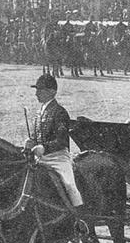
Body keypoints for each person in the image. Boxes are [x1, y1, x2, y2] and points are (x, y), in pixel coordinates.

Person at [24, 74, 88, 230]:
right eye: (37, 90)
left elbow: (60, 141)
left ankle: (79, 219)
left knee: (69, 183)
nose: (37, 93)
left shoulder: (60, 112)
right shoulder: (39, 113)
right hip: (41, 157)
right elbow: (36, 136)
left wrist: (44, 147)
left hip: (58, 157)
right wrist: (30, 142)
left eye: (41, 90)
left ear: (52, 92)